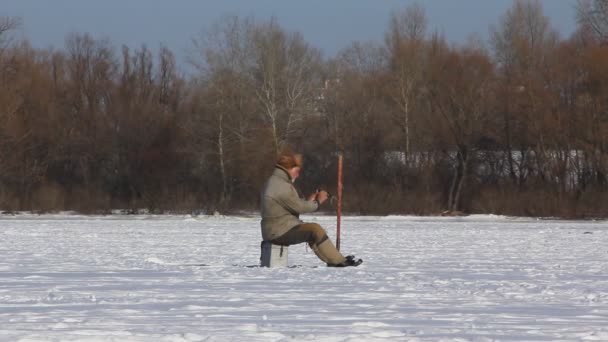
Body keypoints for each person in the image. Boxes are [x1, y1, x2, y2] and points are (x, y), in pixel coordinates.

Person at [260, 152, 362, 267]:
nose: (298, 175)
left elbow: (291, 205)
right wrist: (318, 202)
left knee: (311, 231)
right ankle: (338, 261)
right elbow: (299, 207)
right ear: (289, 168)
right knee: (315, 229)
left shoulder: (273, 182)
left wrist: (309, 201)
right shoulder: (281, 186)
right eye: (297, 171)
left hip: (274, 229)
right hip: (278, 232)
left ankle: (335, 259)